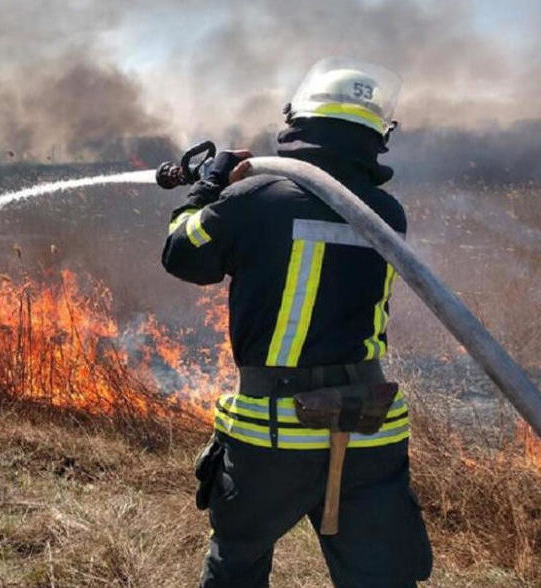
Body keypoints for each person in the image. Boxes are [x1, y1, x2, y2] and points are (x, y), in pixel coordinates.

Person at [160, 57, 433, 587]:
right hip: (368, 433)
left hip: (274, 435)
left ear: (299, 121)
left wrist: (209, 189)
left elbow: (181, 253)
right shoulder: (385, 211)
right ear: (377, 137)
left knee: (237, 563)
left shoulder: (256, 198)